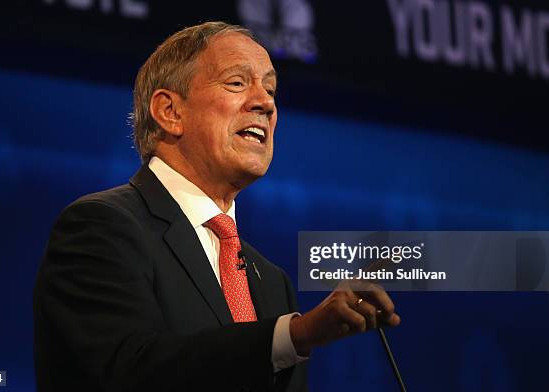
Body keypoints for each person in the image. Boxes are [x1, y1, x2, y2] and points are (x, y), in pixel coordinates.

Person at [33, 21, 400, 392]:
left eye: (270, 89)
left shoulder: (271, 281)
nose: (267, 103)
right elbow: (126, 372)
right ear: (170, 111)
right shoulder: (102, 226)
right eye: (237, 83)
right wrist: (294, 335)